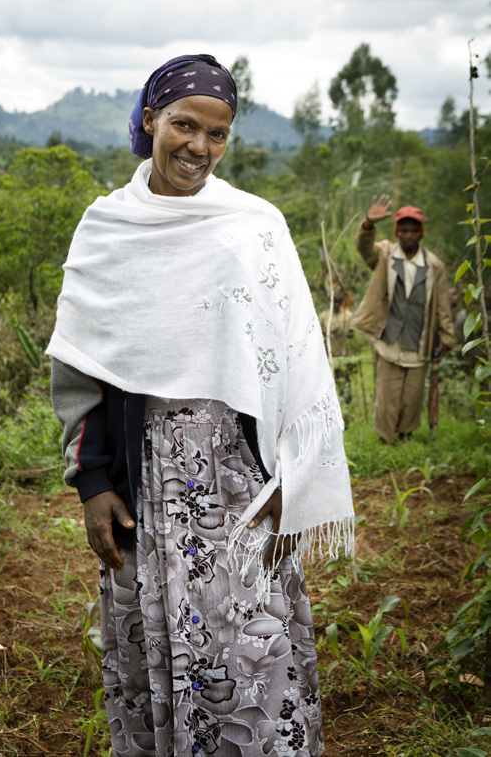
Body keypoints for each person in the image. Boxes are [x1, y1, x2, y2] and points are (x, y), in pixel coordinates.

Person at [47, 54, 354, 757]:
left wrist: (295, 482)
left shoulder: (253, 226)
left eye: (218, 134)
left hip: (240, 479)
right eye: (185, 125)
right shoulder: (107, 229)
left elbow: (299, 361)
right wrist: (92, 483)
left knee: (250, 647)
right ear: (150, 119)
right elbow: (83, 372)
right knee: (154, 641)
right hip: (145, 480)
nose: (200, 147)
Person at [351, 194, 456, 442]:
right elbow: (365, 248)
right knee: (387, 396)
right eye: (403, 230)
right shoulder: (385, 255)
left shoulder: (434, 266)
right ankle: (385, 440)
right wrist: (368, 225)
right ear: (397, 232)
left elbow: (442, 305)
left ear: (420, 233)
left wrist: (447, 338)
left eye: (413, 230)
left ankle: (407, 436)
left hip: (419, 338)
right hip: (389, 338)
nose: (408, 235)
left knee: (412, 396)